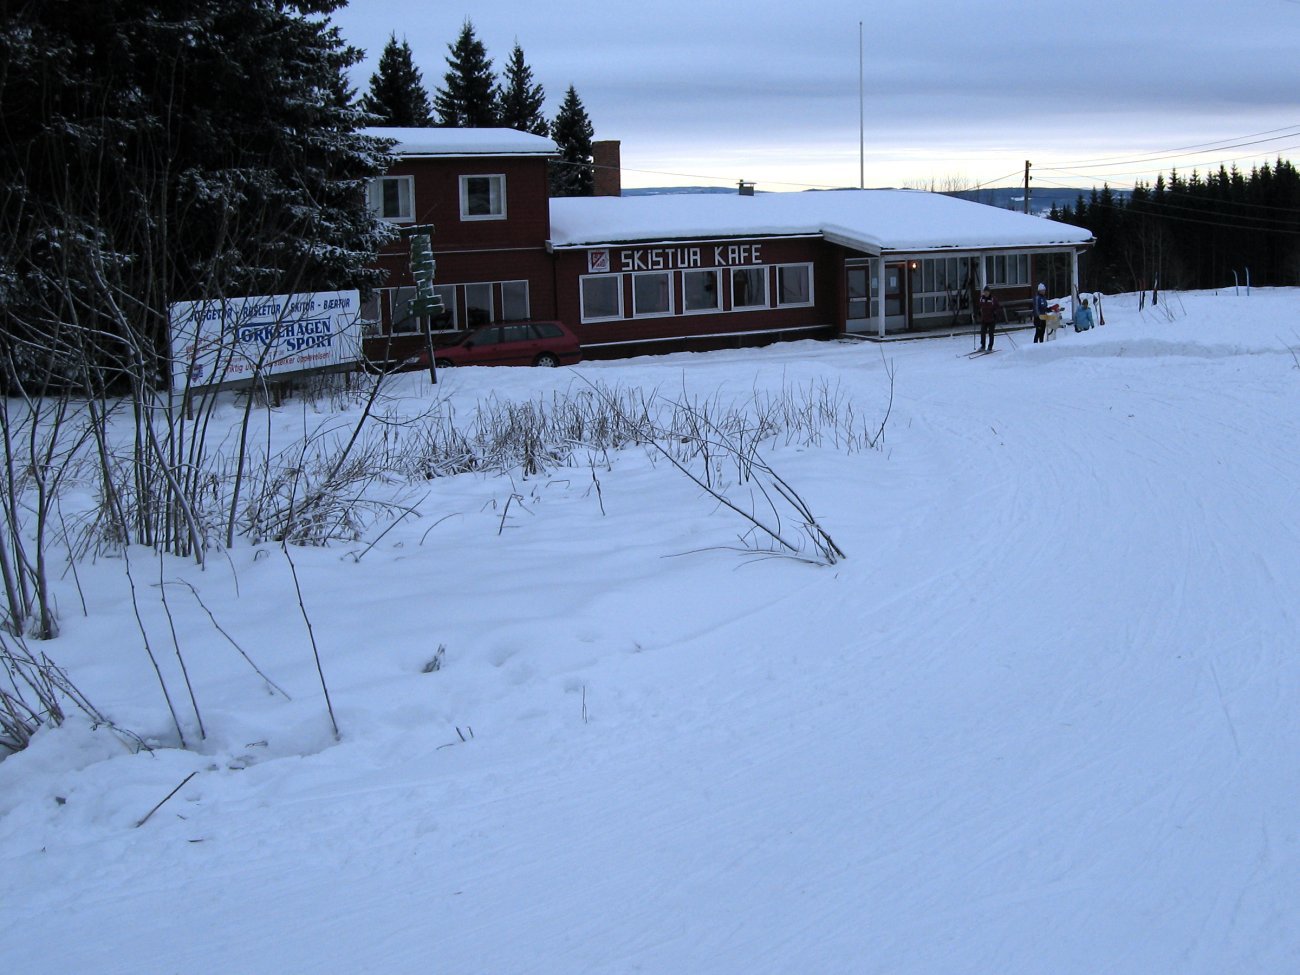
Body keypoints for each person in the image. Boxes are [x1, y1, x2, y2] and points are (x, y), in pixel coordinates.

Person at [977, 286, 999, 351]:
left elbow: (997, 307)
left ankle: (990, 347)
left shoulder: (993, 299)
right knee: (982, 333)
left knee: (990, 333)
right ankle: (983, 346)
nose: (986, 293)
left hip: (992, 319)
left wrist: (995, 313)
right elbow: (979, 306)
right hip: (984, 319)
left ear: (989, 292)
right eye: (985, 292)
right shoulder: (982, 298)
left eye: (987, 292)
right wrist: (978, 313)